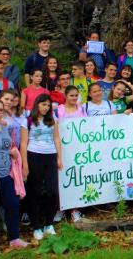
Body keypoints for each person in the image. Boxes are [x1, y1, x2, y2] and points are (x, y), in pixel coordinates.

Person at [0, 100, 28, 253]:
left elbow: (8, 146)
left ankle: (14, 238)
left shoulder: (3, 127)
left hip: (6, 174)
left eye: (1, 110)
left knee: (13, 205)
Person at [20, 94, 62, 240]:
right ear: (37, 104)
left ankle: (49, 224)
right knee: (35, 191)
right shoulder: (28, 120)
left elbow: (56, 138)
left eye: (49, 105)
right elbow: (23, 143)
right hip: (34, 156)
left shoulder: (53, 119)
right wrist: (25, 164)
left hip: (50, 156)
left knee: (53, 191)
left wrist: (59, 157)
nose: (46, 107)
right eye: (44, 104)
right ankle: (36, 226)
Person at [53, 86, 86, 224]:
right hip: (62, 149)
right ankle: (60, 208)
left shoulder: (81, 110)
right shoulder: (58, 110)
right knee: (62, 178)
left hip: (77, 149)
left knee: (76, 178)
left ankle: (74, 209)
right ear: (66, 96)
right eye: (71, 95)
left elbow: (87, 126)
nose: (74, 98)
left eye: (76, 95)